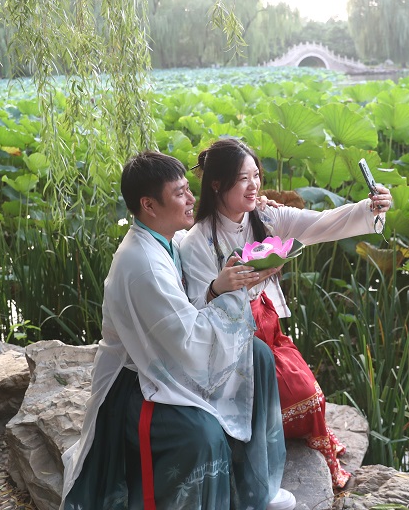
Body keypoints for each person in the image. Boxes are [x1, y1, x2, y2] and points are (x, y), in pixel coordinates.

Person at [60, 150, 297, 510]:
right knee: (203, 434)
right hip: (138, 383)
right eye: (180, 193)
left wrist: (219, 289)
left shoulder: (163, 241)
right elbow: (188, 344)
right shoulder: (144, 265)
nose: (192, 200)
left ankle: (252, 489)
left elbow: (182, 319)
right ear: (149, 205)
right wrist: (233, 294)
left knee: (259, 356)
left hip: (164, 358)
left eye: (189, 189)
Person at [179, 138, 393, 489]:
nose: (254, 186)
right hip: (228, 344)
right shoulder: (197, 241)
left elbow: (322, 223)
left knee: (311, 396)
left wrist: (371, 208)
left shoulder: (265, 216)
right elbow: (193, 316)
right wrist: (220, 288)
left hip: (268, 326)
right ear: (216, 184)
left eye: (256, 176)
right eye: (243, 179)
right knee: (300, 396)